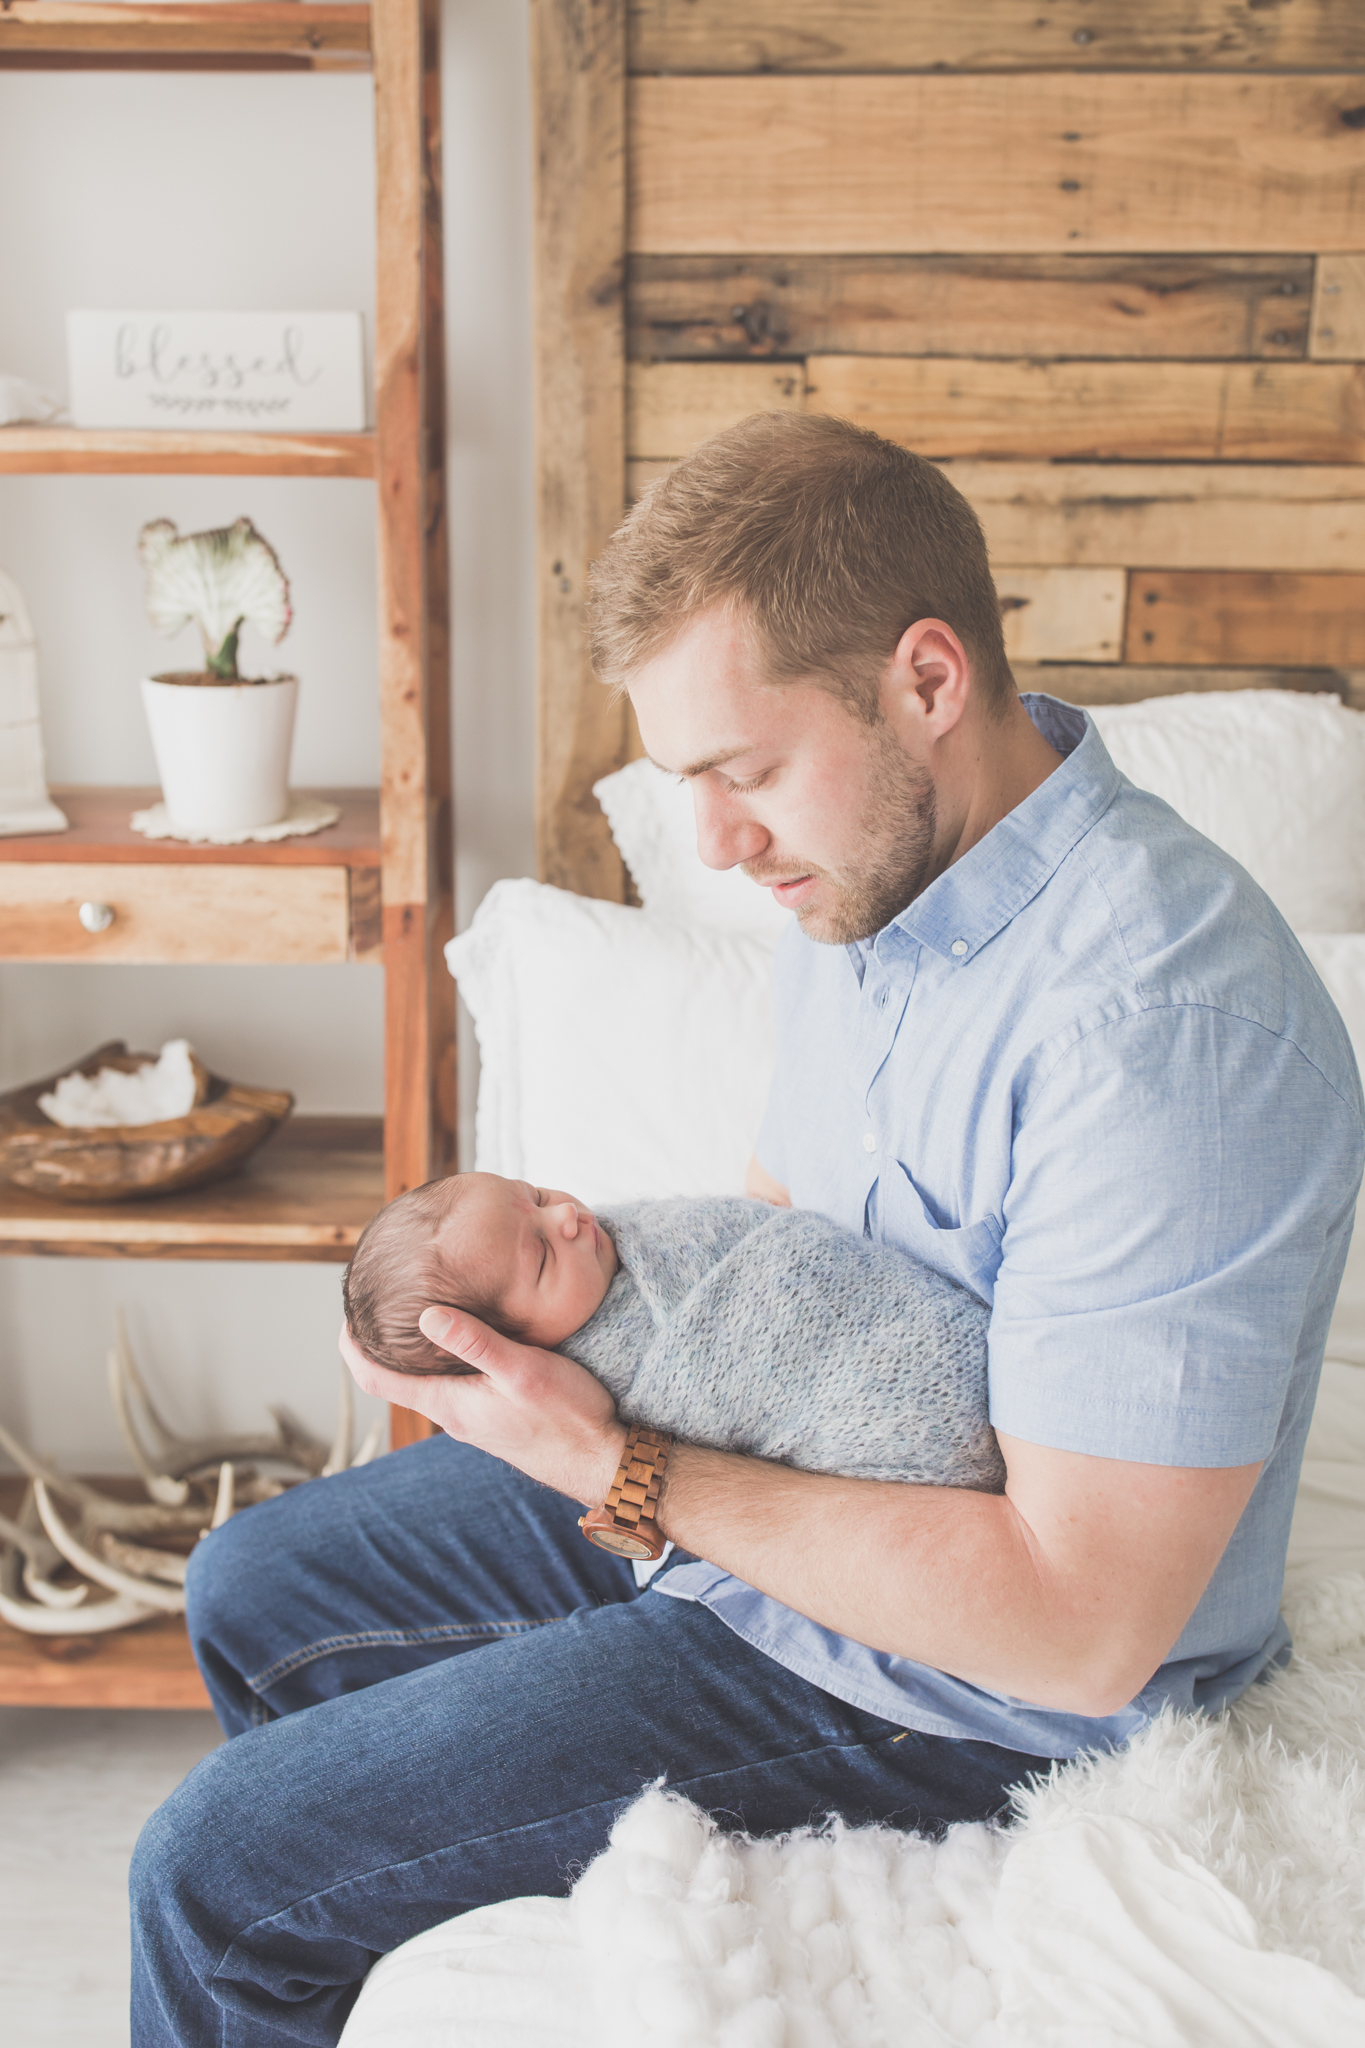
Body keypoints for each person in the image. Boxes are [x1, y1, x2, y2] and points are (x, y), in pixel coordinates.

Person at [131, 413, 1364, 2047]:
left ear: (928, 681)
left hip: (960, 1687)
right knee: (251, 1582)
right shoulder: (867, 874)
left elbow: (1079, 1626)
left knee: (211, 1867)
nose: (712, 841)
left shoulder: (1165, 1025)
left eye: (743, 769)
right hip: (768, 1525)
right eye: (683, 780)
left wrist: (625, 1478)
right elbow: (786, 1235)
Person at [339, 1173, 1003, 1491]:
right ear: (514, 1349)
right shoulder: (605, 1368)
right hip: (884, 1417)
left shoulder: (617, 1237)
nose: (568, 1216)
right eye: (540, 1255)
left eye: (536, 1197)